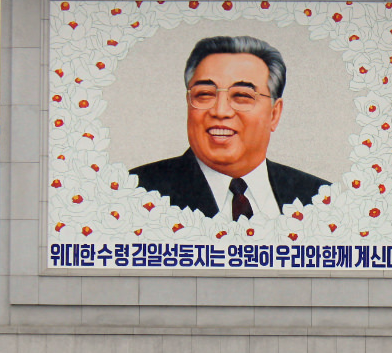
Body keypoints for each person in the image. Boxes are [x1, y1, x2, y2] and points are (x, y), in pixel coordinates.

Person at [131, 35, 329, 218]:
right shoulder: (134, 192)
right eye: (204, 94)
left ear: (274, 114)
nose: (220, 111)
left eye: (242, 96)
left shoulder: (320, 198)